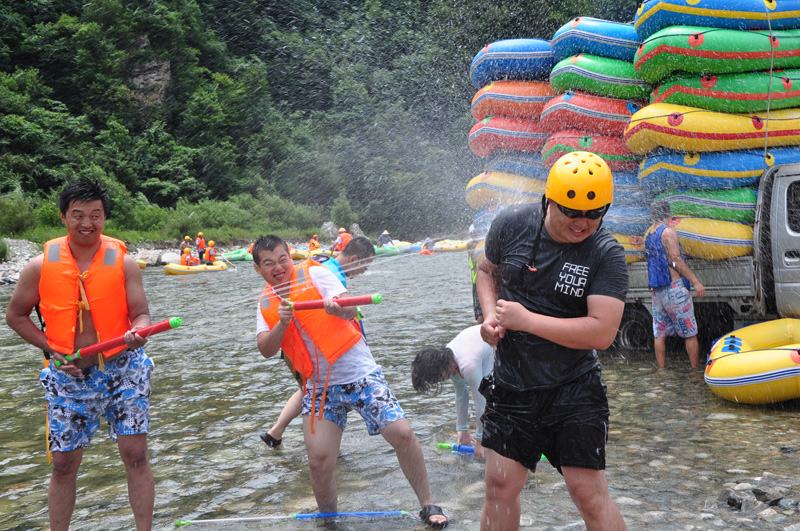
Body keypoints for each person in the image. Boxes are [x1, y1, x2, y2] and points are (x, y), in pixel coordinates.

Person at [476, 151, 628, 531]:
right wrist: (490, 314)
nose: (582, 224)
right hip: (513, 385)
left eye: (594, 215)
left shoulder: (605, 253)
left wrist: (527, 321)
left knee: (587, 492)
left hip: (573, 388)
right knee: (499, 486)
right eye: (571, 212)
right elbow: (485, 270)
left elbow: (602, 333)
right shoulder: (512, 225)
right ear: (549, 201)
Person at [252, 235, 448, 528]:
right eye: (268, 263)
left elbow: (351, 309)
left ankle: (427, 503)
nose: (278, 267)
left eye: (282, 259)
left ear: (290, 256)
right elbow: (266, 349)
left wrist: (337, 308)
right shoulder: (266, 303)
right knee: (318, 459)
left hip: (360, 374)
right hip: (319, 387)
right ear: (258, 269)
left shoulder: (317, 273)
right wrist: (282, 323)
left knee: (402, 433)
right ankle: (329, 520)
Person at [5, 179, 155, 531]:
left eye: (96, 215)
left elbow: (141, 314)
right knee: (63, 464)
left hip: (124, 368)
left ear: (104, 217)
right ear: (63, 217)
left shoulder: (125, 263)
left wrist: (139, 333)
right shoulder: (39, 266)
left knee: (136, 455)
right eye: (78, 215)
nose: (87, 223)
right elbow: (15, 316)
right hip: (67, 376)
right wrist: (50, 346)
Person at [259, 236, 375, 446]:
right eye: (364, 267)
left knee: (307, 389)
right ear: (355, 259)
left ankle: (276, 432)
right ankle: (291, 435)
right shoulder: (329, 273)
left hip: (300, 344)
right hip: (309, 345)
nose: (363, 272)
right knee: (309, 389)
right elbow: (346, 311)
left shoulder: (325, 266)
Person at [411, 325, 495, 458]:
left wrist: (480, 440)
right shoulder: (449, 358)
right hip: (483, 345)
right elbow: (461, 395)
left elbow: (482, 403)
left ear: (440, 369)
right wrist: (462, 430)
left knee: (497, 401)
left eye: (437, 379)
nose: (440, 381)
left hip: (501, 346)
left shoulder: (468, 365)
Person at [645, 201, 706, 370]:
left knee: (660, 334)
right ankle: (694, 372)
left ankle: (662, 371)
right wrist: (695, 281)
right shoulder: (668, 232)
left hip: (657, 292)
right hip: (674, 289)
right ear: (668, 215)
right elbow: (675, 260)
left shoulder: (650, 235)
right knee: (690, 333)